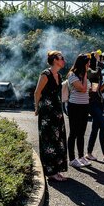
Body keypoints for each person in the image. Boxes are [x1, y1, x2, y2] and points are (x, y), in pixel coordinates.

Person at [34, 50, 69, 182]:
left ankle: (57, 170)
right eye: (61, 57)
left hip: (57, 112)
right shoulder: (45, 74)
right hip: (47, 113)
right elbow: (37, 93)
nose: (63, 60)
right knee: (49, 140)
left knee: (58, 140)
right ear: (55, 60)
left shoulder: (59, 76)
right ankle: (50, 172)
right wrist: (36, 108)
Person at [85, 51, 104, 163]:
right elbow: (93, 91)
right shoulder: (91, 72)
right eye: (101, 59)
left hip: (99, 102)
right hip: (92, 104)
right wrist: (96, 59)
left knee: (95, 128)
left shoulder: (97, 73)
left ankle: (88, 153)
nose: (102, 61)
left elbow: (97, 90)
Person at [66, 54, 91, 168]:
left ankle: (81, 156)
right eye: (87, 63)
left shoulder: (83, 75)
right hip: (74, 106)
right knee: (73, 133)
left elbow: (88, 90)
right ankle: (72, 159)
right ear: (83, 64)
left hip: (84, 106)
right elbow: (82, 88)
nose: (89, 65)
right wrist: (85, 74)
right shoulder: (72, 75)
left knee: (81, 133)